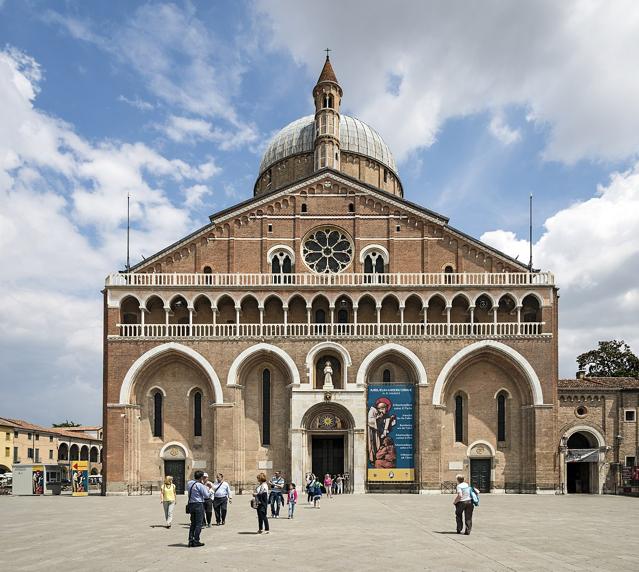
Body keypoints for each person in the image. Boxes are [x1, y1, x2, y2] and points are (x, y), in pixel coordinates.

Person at [367, 397, 397, 465]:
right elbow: (369, 421)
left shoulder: (383, 414)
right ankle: (373, 458)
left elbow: (386, 421)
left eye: (385, 409)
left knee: (378, 445)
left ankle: (377, 457)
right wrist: (378, 418)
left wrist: (391, 420)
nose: (385, 411)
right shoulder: (373, 410)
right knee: (373, 445)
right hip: (372, 432)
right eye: (383, 409)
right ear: (380, 408)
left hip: (378, 432)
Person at [185, 470, 209, 547]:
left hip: (191, 504)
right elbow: (206, 495)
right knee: (199, 524)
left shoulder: (189, 483)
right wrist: (210, 489)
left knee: (193, 523)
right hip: (198, 504)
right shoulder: (200, 485)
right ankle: (196, 540)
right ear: (201, 477)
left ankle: (190, 540)